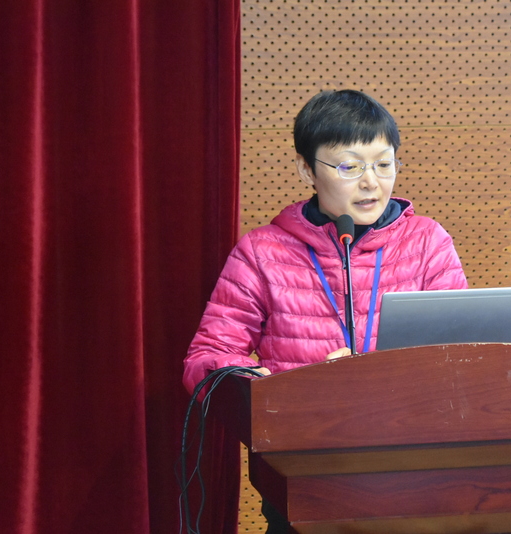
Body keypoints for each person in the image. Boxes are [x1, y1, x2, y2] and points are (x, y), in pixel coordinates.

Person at [182, 89, 468, 532]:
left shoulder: (428, 243)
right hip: (303, 475)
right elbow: (205, 360)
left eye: (384, 164)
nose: (371, 182)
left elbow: (462, 355)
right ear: (306, 169)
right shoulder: (262, 252)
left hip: (414, 474)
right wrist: (276, 388)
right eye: (350, 167)